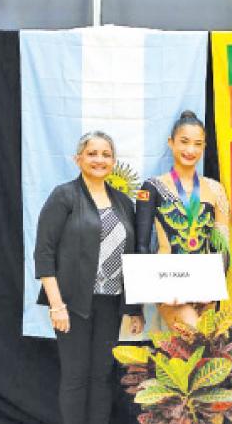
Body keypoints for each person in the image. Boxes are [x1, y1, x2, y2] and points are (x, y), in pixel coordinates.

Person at [34, 131, 145, 424]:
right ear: (78, 158)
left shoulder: (123, 202)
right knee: (75, 376)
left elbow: (132, 257)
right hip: (72, 304)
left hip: (109, 303)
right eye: (92, 153)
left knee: (101, 376)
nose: (99, 159)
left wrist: (134, 308)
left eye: (106, 154)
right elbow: (44, 253)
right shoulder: (64, 195)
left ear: (114, 161)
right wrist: (56, 305)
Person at [135, 110, 231, 327]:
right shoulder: (153, 187)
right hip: (170, 283)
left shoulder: (215, 189)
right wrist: (144, 295)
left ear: (204, 146)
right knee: (196, 337)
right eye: (184, 142)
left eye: (197, 144)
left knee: (200, 355)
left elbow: (222, 245)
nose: (190, 150)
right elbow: (140, 244)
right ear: (172, 142)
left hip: (205, 284)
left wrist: (214, 289)